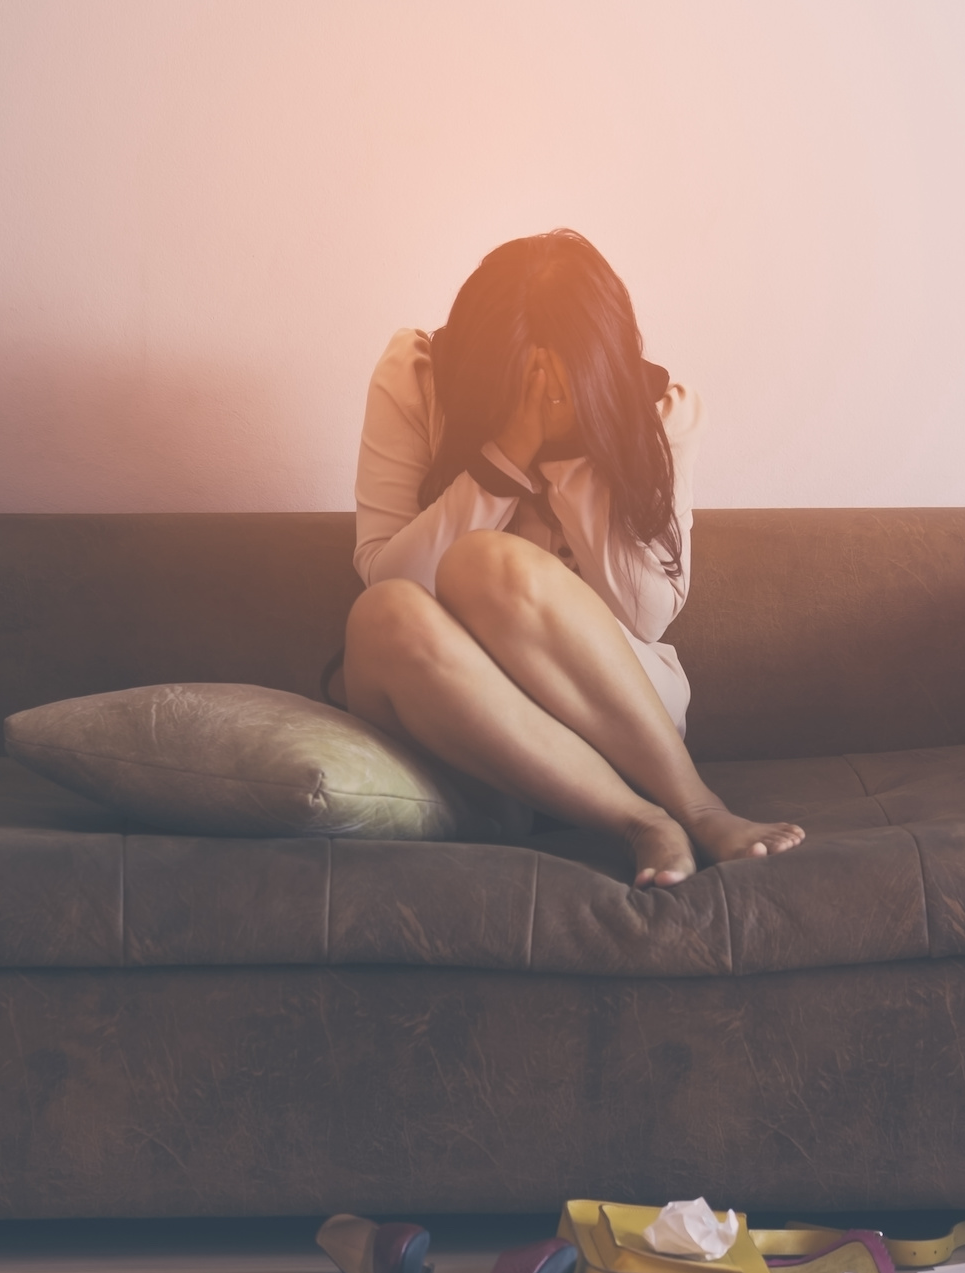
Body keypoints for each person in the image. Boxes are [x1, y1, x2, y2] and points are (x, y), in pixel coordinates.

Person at [343, 229, 803, 888]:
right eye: (517, 382)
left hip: (616, 715)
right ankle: (641, 821)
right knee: (382, 611)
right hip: (453, 713)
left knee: (489, 564)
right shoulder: (415, 376)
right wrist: (503, 459)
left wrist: (578, 449)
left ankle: (693, 807)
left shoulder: (662, 413)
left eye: (563, 383)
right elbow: (386, 572)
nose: (539, 398)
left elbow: (647, 615)